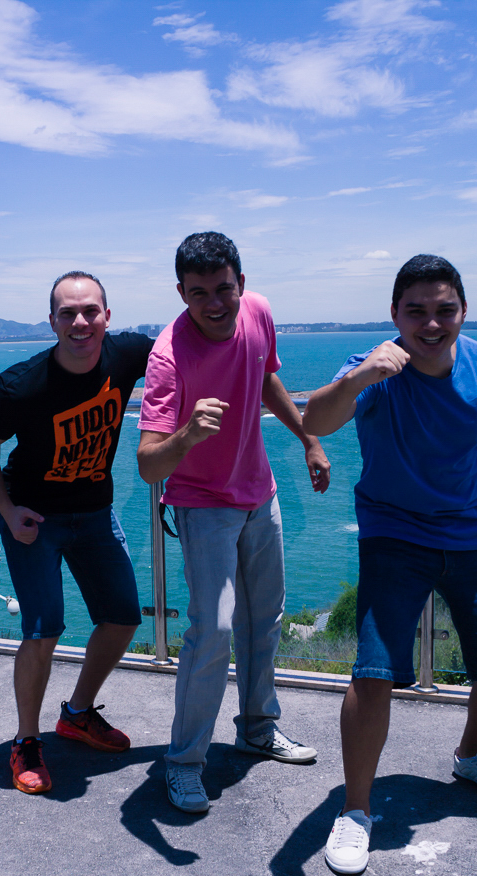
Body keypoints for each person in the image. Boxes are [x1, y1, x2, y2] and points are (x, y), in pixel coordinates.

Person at [302, 254, 477, 875]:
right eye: (417, 310)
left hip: (473, 533)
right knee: (374, 671)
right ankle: (356, 810)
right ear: (395, 314)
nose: (431, 323)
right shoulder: (375, 368)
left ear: (463, 311)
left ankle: (472, 754)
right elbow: (315, 419)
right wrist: (360, 380)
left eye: (444, 310)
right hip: (393, 534)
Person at [137, 232, 331, 814]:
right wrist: (189, 435)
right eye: (199, 294)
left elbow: (266, 374)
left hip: (259, 493)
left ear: (241, 284)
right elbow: (149, 464)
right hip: (202, 503)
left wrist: (308, 438)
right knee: (213, 629)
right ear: (181, 293)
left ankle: (257, 728)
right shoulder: (169, 355)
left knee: (264, 617)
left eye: (224, 289)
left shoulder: (260, 312)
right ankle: (184, 762)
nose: (214, 303)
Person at [0, 271, 152, 795]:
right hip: (33, 518)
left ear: (107, 317)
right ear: (52, 322)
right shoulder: (24, 384)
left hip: (95, 511)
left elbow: (186, 350)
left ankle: (78, 712)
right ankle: (27, 741)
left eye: (90, 311)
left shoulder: (129, 353)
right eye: (67, 313)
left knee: (121, 618)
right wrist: (4, 503)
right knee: (43, 630)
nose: (80, 322)